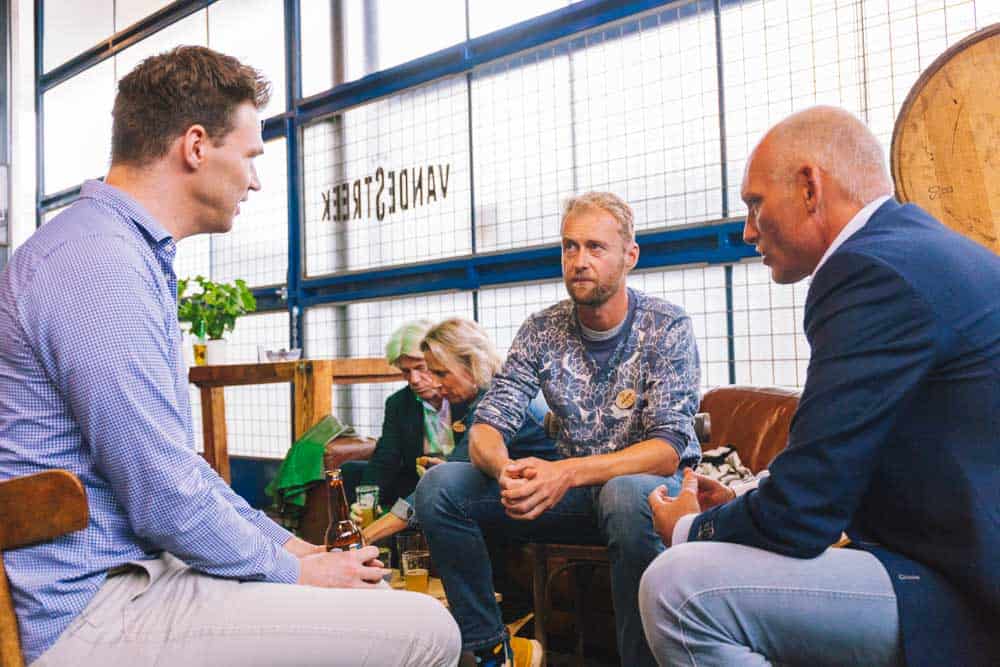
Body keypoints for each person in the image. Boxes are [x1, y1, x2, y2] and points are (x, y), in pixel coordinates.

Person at [0, 46, 459, 666]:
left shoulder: (111, 251)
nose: (257, 179)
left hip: (138, 578)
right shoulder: (99, 267)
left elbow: (178, 474)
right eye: (250, 156)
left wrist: (298, 554)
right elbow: (161, 494)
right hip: (96, 608)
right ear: (195, 146)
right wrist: (297, 573)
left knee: (381, 606)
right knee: (426, 629)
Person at [638, 106, 1000, 667]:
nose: (747, 230)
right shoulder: (920, 249)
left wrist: (690, 527)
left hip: (965, 596)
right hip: (957, 561)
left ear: (810, 187)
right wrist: (748, 503)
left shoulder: (869, 270)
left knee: (680, 588)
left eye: (755, 204)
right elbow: (846, 471)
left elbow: (803, 513)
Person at [416, 192, 702, 666]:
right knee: (440, 486)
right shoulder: (541, 329)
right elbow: (490, 422)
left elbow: (668, 449)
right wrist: (506, 470)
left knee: (624, 493)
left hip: (648, 497)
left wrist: (565, 472)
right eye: (570, 247)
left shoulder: (666, 325)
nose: (579, 261)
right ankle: (490, 651)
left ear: (629, 256)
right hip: (567, 499)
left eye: (595, 247)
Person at [361, 317, 556, 549]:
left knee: (441, 488)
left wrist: (366, 536)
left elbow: (443, 484)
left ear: (473, 364)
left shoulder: (498, 404)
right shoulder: (494, 391)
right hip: (529, 494)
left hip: (553, 503)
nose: (434, 383)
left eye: (441, 374)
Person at [349, 319, 453, 518]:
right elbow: (385, 457)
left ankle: (396, 518)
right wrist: (367, 503)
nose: (413, 379)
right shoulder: (398, 403)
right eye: (406, 371)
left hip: (457, 476)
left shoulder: (461, 393)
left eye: (421, 368)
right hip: (417, 480)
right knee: (351, 472)